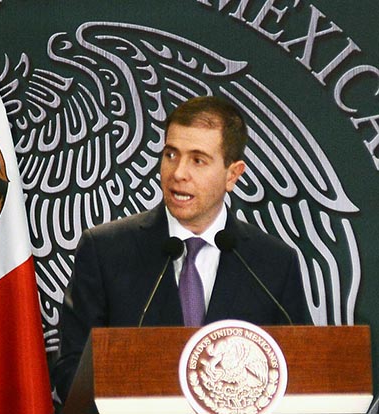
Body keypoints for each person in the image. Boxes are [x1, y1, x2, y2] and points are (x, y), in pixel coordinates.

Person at [51, 95, 312, 407]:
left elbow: (301, 373)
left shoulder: (273, 263)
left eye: (198, 160)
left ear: (232, 174)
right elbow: (70, 372)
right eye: (171, 155)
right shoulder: (106, 250)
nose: (177, 173)